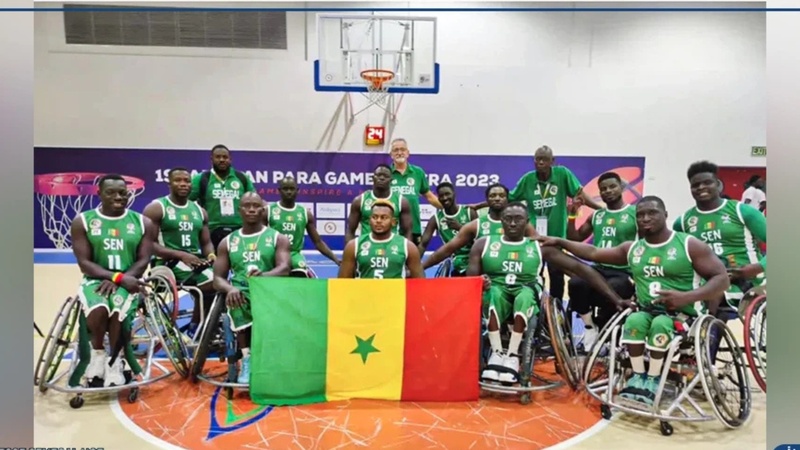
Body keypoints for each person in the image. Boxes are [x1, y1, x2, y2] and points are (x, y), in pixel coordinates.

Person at [538, 196, 730, 405]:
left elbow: (722, 279)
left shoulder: (688, 244)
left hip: (684, 314)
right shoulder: (634, 248)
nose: (645, 218)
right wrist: (561, 241)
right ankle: (638, 377)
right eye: (640, 215)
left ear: (665, 215)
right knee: (633, 321)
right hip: (646, 311)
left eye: (652, 213)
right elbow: (593, 252)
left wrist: (686, 297)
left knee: (660, 324)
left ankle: (654, 379)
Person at [467, 202, 629, 384]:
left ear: (527, 221)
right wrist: (481, 280)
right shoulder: (484, 244)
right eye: (508, 219)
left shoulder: (539, 247)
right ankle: (496, 354)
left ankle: (512, 355)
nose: (512, 223)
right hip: (497, 291)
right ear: (501, 221)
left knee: (524, 296)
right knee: (493, 294)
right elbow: (471, 280)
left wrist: (616, 299)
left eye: (518, 219)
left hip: (526, 291)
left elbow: (580, 268)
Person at [471, 146, 603, 302]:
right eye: (538, 159)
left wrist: (600, 209)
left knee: (556, 272)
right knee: (534, 272)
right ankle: (536, 303)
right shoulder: (528, 179)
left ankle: (556, 305)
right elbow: (508, 198)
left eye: (544, 159)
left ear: (552, 161)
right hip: (533, 236)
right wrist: (478, 205)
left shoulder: (562, 174)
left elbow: (581, 195)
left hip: (555, 235)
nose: (540, 162)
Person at [70, 174, 157, 387]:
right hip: (95, 280)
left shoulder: (143, 222)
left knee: (118, 310)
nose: (118, 197)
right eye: (111, 193)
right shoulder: (83, 221)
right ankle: (98, 354)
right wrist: (115, 277)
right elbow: (84, 263)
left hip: (131, 280)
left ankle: (115, 360)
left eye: (122, 193)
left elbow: (143, 260)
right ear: (99, 193)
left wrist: (122, 279)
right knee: (99, 308)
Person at [212, 192, 291, 384]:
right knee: (236, 299)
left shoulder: (277, 238)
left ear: (263, 210)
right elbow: (217, 279)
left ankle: (271, 356)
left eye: (256, 206)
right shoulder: (228, 242)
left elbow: (284, 268)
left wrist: (264, 277)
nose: (252, 209)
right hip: (240, 293)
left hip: (269, 290)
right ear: (239, 210)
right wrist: (230, 289)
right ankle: (247, 358)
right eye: (247, 206)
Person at [673, 161, 767, 312]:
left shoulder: (742, 211)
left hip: (748, 282)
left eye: (707, 182)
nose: (701, 187)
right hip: (708, 283)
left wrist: (757, 268)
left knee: (714, 294)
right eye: (695, 185)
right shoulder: (683, 222)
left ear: (718, 185)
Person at [565, 172, 638, 349]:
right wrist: (572, 216)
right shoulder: (597, 216)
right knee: (576, 283)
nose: (608, 191)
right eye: (603, 189)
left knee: (615, 287)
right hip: (598, 268)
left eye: (612, 186)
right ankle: (590, 327)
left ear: (621, 187)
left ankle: (609, 333)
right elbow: (574, 238)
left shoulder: (634, 213)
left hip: (623, 270)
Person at [143, 167, 216, 336]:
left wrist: (212, 256)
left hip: (194, 261)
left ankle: (211, 323)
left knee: (227, 277)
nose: (183, 184)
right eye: (178, 180)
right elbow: (149, 244)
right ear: (169, 184)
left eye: (187, 181)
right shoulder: (157, 208)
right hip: (167, 262)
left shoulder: (199, 211)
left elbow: (206, 243)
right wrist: (181, 255)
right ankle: (195, 327)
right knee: (214, 281)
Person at [422, 183, 538, 271]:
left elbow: (538, 246)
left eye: (502, 196)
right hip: (486, 276)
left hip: (516, 273)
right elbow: (447, 249)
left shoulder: (521, 224)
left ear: (507, 199)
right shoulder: (476, 225)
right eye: (493, 196)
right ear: (487, 200)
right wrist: (420, 267)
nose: (497, 198)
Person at [265, 177, 340, 275]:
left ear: (297, 190)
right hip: (274, 253)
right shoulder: (268, 211)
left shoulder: (305, 213)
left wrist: (335, 259)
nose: (289, 192)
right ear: (279, 190)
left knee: (300, 270)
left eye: (292, 189)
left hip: (294, 254)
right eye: (285, 189)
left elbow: (318, 242)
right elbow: (260, 237)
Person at [189, 144, 256, 251]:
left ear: (230, 159)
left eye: (225, 157)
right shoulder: (201, 178)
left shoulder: (242, 178)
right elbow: (186, 202)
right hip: (211, 230)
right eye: (218, 157)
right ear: (211, 159)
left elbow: (254, 201)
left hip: (239, 229)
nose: (222, 160)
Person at [338, 201, 425, 279]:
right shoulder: (354, 245)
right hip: (365, 292)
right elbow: (342, 282)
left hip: (394, 292)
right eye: (374, 217)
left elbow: (420, 282)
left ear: (393, 222)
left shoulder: (407, 246)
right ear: (369, 220)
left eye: (384, 217)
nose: (378, 221)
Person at [388, 138, 442, 245]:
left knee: (413, 255)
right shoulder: (386, 173)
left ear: (408, 153)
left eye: (402, 149)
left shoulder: (418, 172)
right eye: (396, 150)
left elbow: (429, 196)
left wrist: (448, 208)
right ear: (391, 154)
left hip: (413, 227)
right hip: (391, 228)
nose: (399, 152)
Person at [417, 182, 477, 276]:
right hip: (456, 262)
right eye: (441, 196)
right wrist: (415, 265)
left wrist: (461, 228)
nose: (445, 198)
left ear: (454, 194)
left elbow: (479, 237)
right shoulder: (436, 219)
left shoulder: (469, 212)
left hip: (473, 258)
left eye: (447, 194)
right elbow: (423, 244)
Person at [345, 164, 412, 243]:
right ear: (373, 178)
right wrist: (351, 249)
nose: (382, 178)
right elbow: (350, 231)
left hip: (392, 246)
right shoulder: (360, 200)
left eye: (386, 176)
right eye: (378, 175)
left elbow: (408, 231)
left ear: (391, 180)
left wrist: (405, 249)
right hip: (366, 246)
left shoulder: (401, 201)